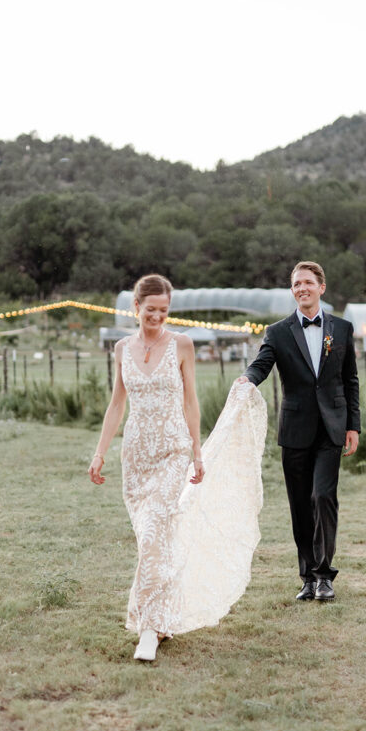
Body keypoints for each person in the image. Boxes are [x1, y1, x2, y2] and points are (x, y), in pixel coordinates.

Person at [89, 274, 266, 661]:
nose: (157, 317)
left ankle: (148, 630)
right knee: (152, 542)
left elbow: (191, 402)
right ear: (136, 308)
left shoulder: (182, 345)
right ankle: (161, 617)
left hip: (173, 453)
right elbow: (117, 405)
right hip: (136, 458)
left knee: (155, 533)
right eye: (150, 310)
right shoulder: (121, 349)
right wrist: (100, 452)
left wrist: (197, 453)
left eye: (164, 311)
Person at [239, 261, 360, 602]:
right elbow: (261, 364)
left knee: (323, 497)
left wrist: (354, 425)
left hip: (331, 429)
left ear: (321, 287)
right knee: (300, 506)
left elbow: (350, 380)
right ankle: (306, 577)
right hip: (294, 430)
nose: (302, 288)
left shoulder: (343, 329)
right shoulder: (277, 332)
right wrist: (247, 380)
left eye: (308, 282)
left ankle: (324, 576)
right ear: (292, 291)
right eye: (296, 284)